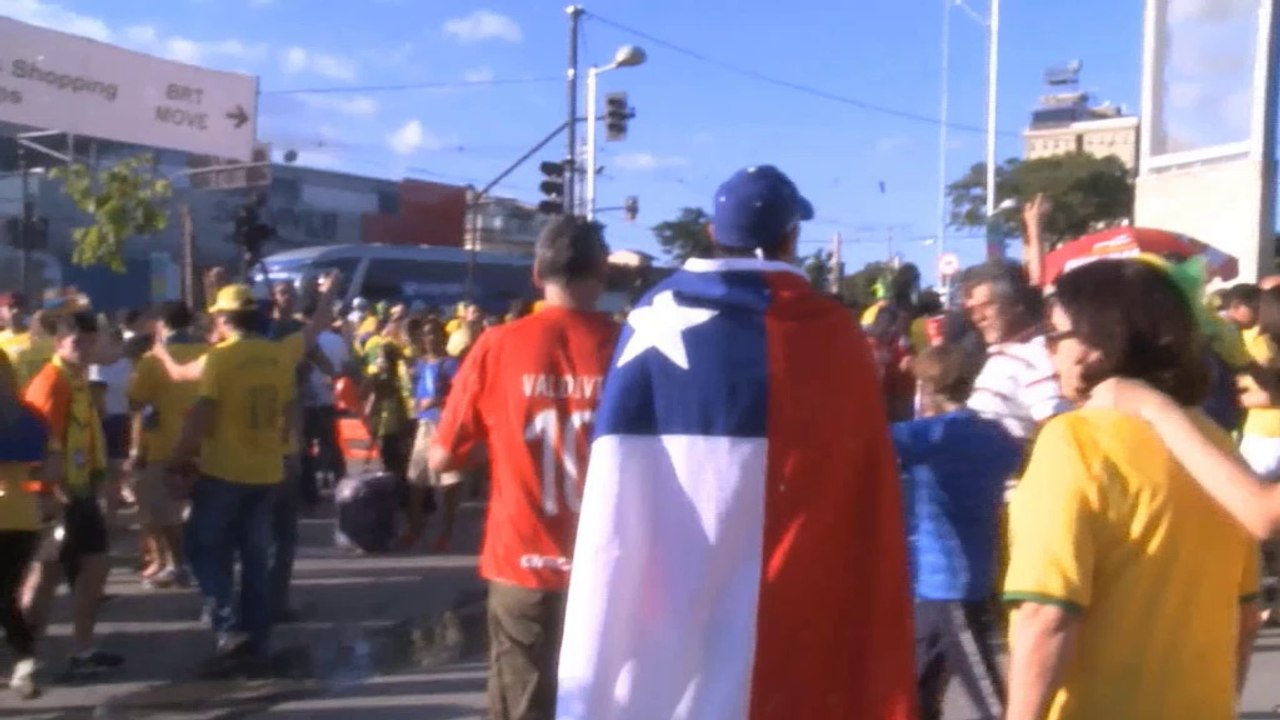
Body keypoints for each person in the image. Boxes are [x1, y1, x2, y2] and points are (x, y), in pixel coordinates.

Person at [556, 165, 916, 720]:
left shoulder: (651, 317)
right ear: (791, 238)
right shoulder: (833, 333)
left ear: (710, 232)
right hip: (795, 609)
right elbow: (862, 487)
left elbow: (615, 490)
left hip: (671, 609)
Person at [1003, 258, 1259, 720]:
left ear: (1092, 347)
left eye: (1055, 335)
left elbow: (1047, 615)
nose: (1050, 351)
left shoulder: (1075, 441)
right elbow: (1244, 613)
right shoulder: (1217, 448)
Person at [427, 215, 620, 720]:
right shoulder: (632, 346)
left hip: (523, 557)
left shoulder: (497, 344)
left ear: (537, 273)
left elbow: (444, 455)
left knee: (522, 703)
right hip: (610, 563)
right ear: (602, 273)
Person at [167, 284, 300, 670]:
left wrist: (177, 461)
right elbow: (290, 411)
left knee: (202, 547)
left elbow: (202, 415)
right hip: (266, 471)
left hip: (224, 470)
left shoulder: (221, 358)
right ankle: (257, 639)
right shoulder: (278, 357)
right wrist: (278, 447)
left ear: (224, 319)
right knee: (256, 556)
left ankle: (227, 626)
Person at [894, 343, 1022, 720]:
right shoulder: (994, 435)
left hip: (952, 589)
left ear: (928, 389)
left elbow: (866, 438)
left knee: (991, 704)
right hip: (953, 586)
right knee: (914, 694)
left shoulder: (927, 436)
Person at [22, 310, 125, 675]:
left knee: (93, 568)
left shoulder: (77, 379)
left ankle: (80, 648)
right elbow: (37, 446)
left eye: (89, 341)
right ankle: (24, 654)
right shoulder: (52, 383)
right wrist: (49, 495)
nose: (85, 348)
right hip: (55, 497)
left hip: (79, 493)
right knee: (45, 576)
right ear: (59, 343)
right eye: (77, 342)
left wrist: (99, 478)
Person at [127, 301, 205, 588]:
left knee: (161, 510)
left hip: (166, 445)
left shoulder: (153, 359)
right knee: (202, 509)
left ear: (161, 323)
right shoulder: (208, 352)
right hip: (206, 444)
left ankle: (177, 565)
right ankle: (200, 564)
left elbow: (136, 400)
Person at [0, 361, 49, 699]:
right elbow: (53, 467)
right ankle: (23, 661)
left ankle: (23, 661)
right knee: (6, 596)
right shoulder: (30, 416)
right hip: (23, 519)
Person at [402, 319, 458, 551]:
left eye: (435, 333)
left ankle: (446, 532)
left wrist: (437, 400)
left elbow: (461, 394)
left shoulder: (451, 364)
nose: (431, 338)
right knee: (415, 479)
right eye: (427, 334)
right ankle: (415, 528)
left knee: (449, 483)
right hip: (424, 424)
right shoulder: (421, 364)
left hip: (446, 424)